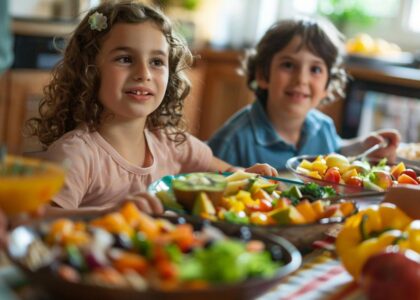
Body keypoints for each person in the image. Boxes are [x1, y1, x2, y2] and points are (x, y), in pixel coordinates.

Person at [25, 1, 277, 215]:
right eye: (125, 59)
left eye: (157, 62)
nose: (143, 73)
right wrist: (108, 214)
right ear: (89, 71)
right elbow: (37, 220)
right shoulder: (76, 154)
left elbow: (226, 174)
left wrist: (247, 175)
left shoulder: (170, 142)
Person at [207, 17, 400, 170]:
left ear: (327, 85)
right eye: (288, 65)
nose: (301, 79)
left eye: (315, 69)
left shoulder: (323, 127)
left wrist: (362, 146)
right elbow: (201, 181)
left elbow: (335, 152)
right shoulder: (234, 139)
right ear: (263, 75)